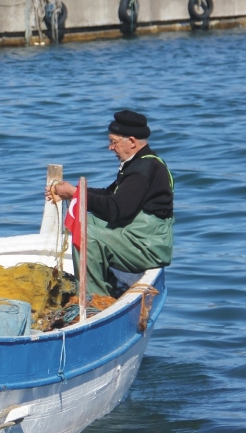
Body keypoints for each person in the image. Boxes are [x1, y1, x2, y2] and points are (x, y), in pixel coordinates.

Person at [49, 110, 174, 298]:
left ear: (131, 142)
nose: (110, 148)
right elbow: (110, 195)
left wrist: (76, 194)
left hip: (148, 245)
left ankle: (94, 300)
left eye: (113, 142)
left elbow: (115, 210)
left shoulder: (142, 170)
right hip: (137, 234)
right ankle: (107, 281)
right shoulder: (141, 164)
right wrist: (72, 193)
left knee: (85, 233)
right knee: (86, 221)